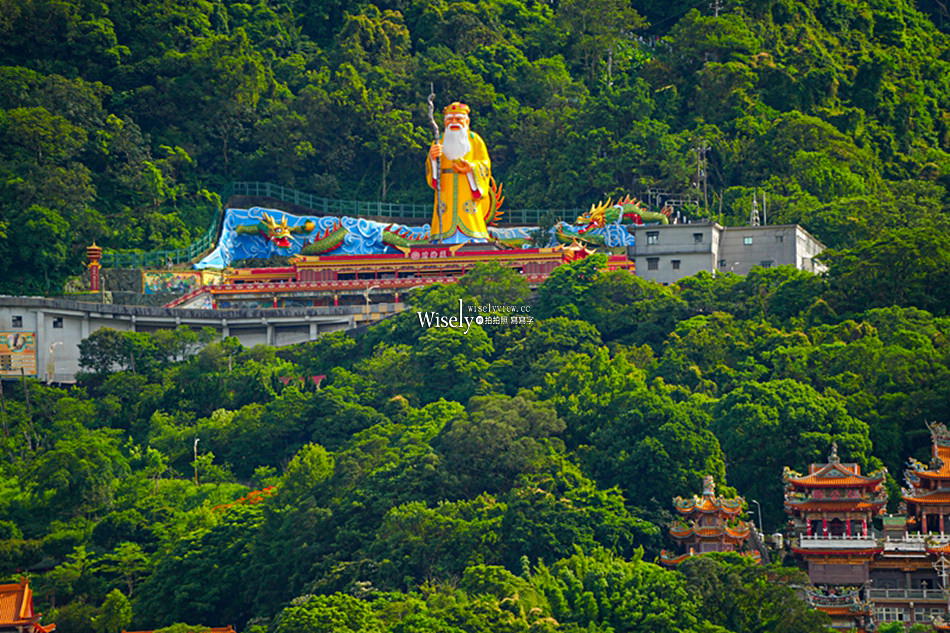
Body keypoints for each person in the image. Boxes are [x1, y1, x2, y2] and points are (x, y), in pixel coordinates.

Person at [426, 102, 491, 242]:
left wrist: (472, 169)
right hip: (446, 188)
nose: (454, 122)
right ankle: (441, 237)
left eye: (458, 119)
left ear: (467, 121)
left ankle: (472, 235)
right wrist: (432, 159)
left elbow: (485, 165)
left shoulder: (475, 140)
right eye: (450, 119)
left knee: (470, 214)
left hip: (467, 186)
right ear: (444, 122)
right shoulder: (439, 140)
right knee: (444, 214)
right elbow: (431, 171)